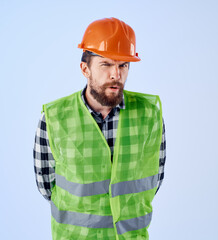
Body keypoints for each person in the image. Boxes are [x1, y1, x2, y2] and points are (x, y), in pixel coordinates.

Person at [33, 17, 166, 240]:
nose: (116, 74)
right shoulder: (54, 117)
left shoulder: (150, 115)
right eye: (106, 64)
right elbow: (46, 186)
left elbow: (154, 181)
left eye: (123, 65)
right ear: (85, 69)